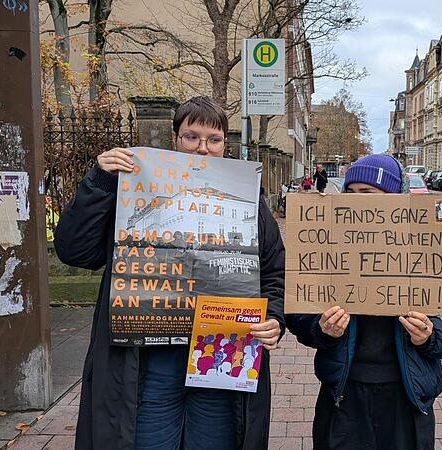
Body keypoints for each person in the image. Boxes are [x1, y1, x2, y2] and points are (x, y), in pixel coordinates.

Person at [54, 96, 286, 450]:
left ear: (225, 144)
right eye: (191, 137)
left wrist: (273, 317)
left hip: (220, 356)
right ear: (176, 139)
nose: (202, 149)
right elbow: (76, 251)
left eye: (214, 139)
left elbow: (273, 270)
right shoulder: (135, 190)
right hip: (151, 362)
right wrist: (99, 182)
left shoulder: (247, 199)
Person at [286, 154, 442, 450]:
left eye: (368, 194)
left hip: (407, 399)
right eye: (350, 193)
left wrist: (430, 336)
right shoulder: (327, 250)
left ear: (394, 202)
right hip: (343, 395)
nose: (356, 203)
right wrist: (321, 329)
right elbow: (298, 315)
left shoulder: (427, 254)